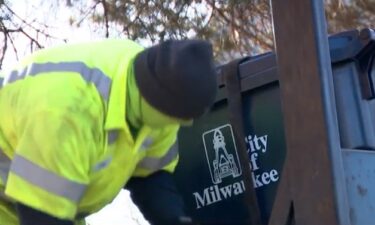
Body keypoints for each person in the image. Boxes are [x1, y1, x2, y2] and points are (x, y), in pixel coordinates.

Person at [0, 38, 217, 225]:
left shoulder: (159, 83)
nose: (183, 124)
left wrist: (174, 220)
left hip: (54, 201)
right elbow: (42, 212)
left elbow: (151, 178)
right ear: (162, 104)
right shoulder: (69, 112)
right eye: (181, 118)